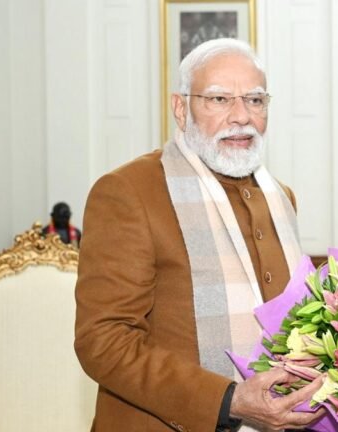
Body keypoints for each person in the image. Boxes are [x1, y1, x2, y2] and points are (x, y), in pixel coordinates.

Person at [74, 38, 325, 432]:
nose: (241, 116)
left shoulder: (281, 197)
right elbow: (103, 340)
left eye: (255, 100)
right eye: (219, 99)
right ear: (180, 107)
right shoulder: (128, 191)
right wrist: (228, 401)